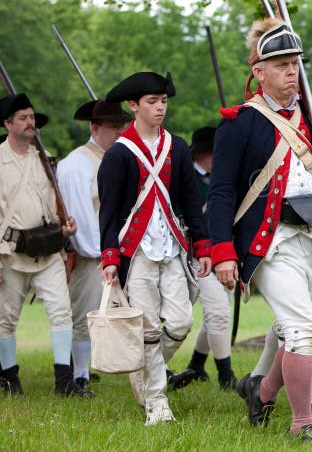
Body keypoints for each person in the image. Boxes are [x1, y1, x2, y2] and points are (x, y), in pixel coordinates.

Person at [207, 18, 312, 441]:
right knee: (301, 329)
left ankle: (263, 390)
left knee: (309, 332)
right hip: (269, 243)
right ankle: (300, 422)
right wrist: (222, 251)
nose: (293, 72)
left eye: (296, 64)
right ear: (259, 71)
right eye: (283, 65)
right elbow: (220, 193)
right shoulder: (239, 122)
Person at [98, 72, 212, 426]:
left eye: (163, 101)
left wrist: (203, 245)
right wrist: (110, 257)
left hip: (172, 247)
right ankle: (157, 402)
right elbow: (110, 210)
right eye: (152, 101)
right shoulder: (119, 153)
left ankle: (143, 373)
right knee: (147, 329)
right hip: (137, 253)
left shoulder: (176, 147)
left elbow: (191, 201)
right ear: (134, 106)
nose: (160, 107)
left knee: (180, 322)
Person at [0, 93, 84, 396]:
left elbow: (51, 203)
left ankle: (64, 381)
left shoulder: (43, 158)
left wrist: (64, 228)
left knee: (63, 313)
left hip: (48, 251)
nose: (30, 123)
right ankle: (9, 379)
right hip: (10, 253)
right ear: (7, 124)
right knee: (6, 319)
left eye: (32, 117)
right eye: (22, 118)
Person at [57, 99, 130, 395]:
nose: (119, 131)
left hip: (117, 250)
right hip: (92, 254)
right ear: (95, 128)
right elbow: (82, 215)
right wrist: (99, 252)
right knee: (85, 315)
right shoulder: (77, 164)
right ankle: (81, 374)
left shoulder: (117, 156)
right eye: (113, 126)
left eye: (121, 125)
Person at [170, 126, 237, 391]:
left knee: (218, 312)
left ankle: (197, 365)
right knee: (218, 313)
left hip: (224, 253)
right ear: (201, 155)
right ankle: (226, 375)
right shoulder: (185, 179)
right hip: (196, 254)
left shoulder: (223, 178)